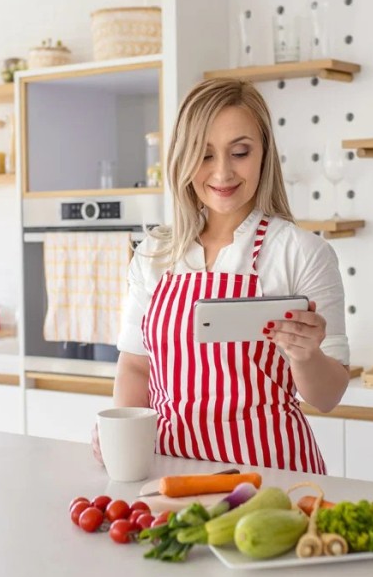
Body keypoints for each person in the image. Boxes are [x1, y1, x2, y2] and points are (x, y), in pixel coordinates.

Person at [92, 78, 350, 474]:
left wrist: (307, 355)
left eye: (240, 152)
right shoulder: (154, 254)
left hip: (272, 480)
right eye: (205, 154)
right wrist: (123, 435)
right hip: (169, 474)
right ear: (182, 157)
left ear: (264, 153)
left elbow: (327, 395)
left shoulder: (301, 253)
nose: (223, 172)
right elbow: (135, 366)